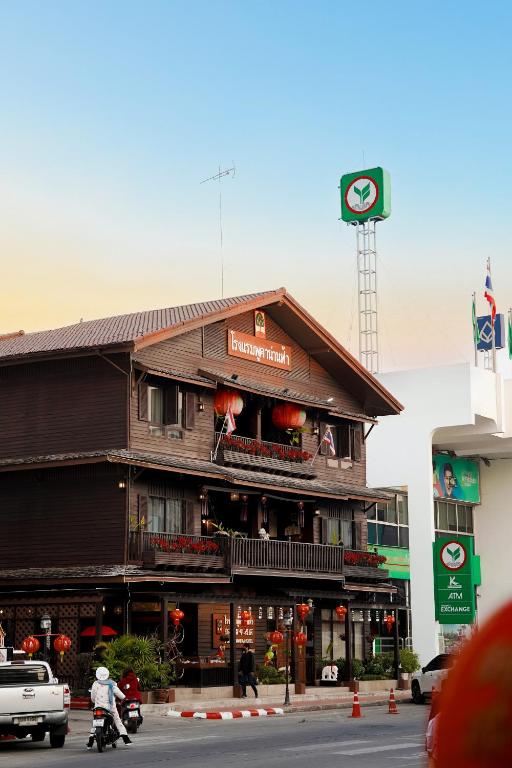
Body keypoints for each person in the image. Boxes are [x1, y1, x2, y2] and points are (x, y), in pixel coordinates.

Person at [86, 666, 132, 749]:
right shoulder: (112, 684)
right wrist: (124, 698)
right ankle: (126, 739)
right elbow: (121, 696)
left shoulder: (95, 684)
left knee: (95, 723)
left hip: (98, 708)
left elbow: (92, 698)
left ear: (97, 675)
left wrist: (95, 701)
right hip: (110, 709)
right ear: (107, 675)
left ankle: (90, 741)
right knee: (117, 720)